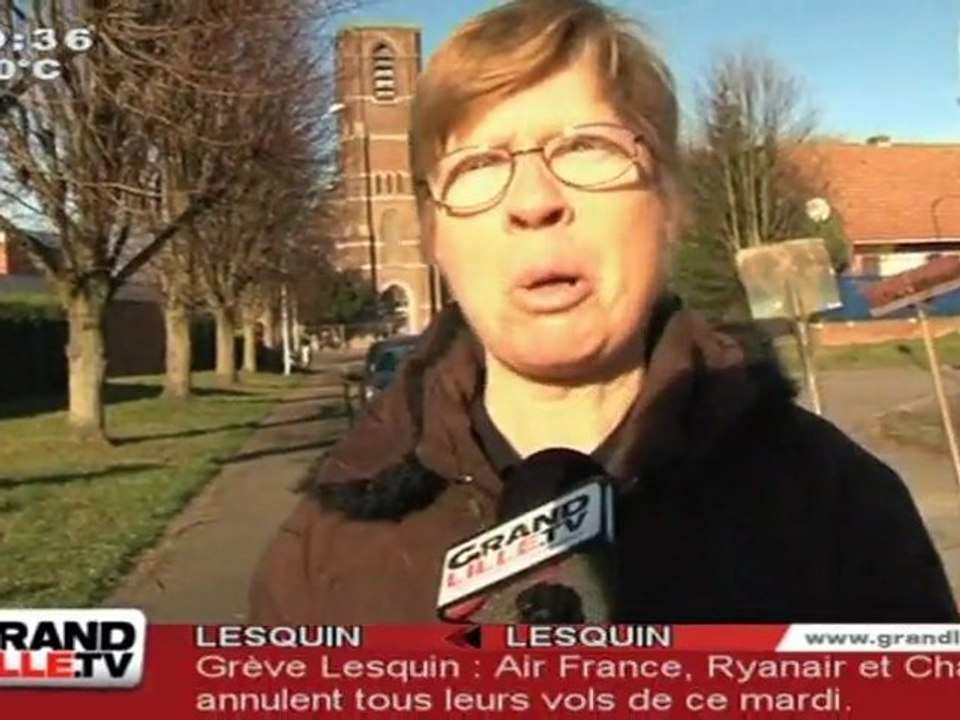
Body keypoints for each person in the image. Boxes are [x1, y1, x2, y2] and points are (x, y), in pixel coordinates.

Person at [248, 0, 958, 623]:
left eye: (587, 146)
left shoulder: (841, 512)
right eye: (479, 166)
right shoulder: (318, 560)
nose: (533, 201)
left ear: (670, 206)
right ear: (435, 236)